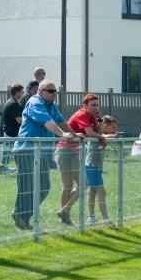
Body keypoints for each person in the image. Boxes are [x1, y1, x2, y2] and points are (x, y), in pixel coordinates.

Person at [11, 81, 75, 230]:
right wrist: (62, 134)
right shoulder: (35, 102)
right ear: (40, 91)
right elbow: (47, 122)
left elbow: (60, 120)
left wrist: (74, 133)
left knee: (44, 187)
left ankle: (21, 214)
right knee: (26, 186)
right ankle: (22, 217)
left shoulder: (51, 105)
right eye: (50, 91)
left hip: (42, 152)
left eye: (55, 91)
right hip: (26, 150)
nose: (54, 93)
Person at [57, 93, 104, 226]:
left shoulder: (93, 117)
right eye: (93, 105)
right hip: (64, 150)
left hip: (74, 152)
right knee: (67, 185)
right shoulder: (81, 115)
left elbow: (98, 133)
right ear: (85, 106)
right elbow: (90, 133)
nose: (96, 107)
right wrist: (102, 138)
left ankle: (64, 211)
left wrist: (100, 120)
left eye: (97, 105)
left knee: (85, 183)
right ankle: (64, 217)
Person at [86, 115, 120, 226]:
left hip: (95, 166)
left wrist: (112, 135)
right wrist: (114, 135)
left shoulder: (101, 135)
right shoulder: (98, 134)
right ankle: (105, 218)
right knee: (101, 191)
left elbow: (105, 137)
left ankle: (91, 217)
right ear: (105, 126)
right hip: (92, 165)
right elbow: (104, 137)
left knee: (92, 190)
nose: (115, 130)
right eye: (113, 127)